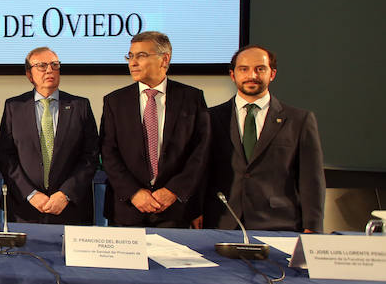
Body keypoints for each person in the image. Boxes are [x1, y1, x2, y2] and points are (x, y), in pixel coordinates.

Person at [203, 45, 325, 232]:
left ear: (272, 74)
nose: (252, 75)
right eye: (244, 69)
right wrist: (194, 213)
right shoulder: (210, 117)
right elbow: (201, 171)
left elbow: (311, 180)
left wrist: (313, 227)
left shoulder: (299, 120)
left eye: (260, 69)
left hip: (280, 223)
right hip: (222, 221)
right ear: (233, 75)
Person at [100, 31, 210, 227]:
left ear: (164, 59)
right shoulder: (115, 101)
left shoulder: (191, 98)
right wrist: (134, 193)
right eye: (130, 56)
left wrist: (173, 191)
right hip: (128, 209)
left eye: (141, 56)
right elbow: (108, 153)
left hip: (175, 210)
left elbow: (200, 152)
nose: (133, 63)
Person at [0, 47, 99, 224]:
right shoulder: (14, 107)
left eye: (54, 65)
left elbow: (90, 156)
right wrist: (30, 193)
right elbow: (6, 157)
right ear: (29, 75)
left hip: (70, 208)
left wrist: (66, 193)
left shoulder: (80, 106)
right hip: (25, 208)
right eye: (42, 66)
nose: (50, 70)